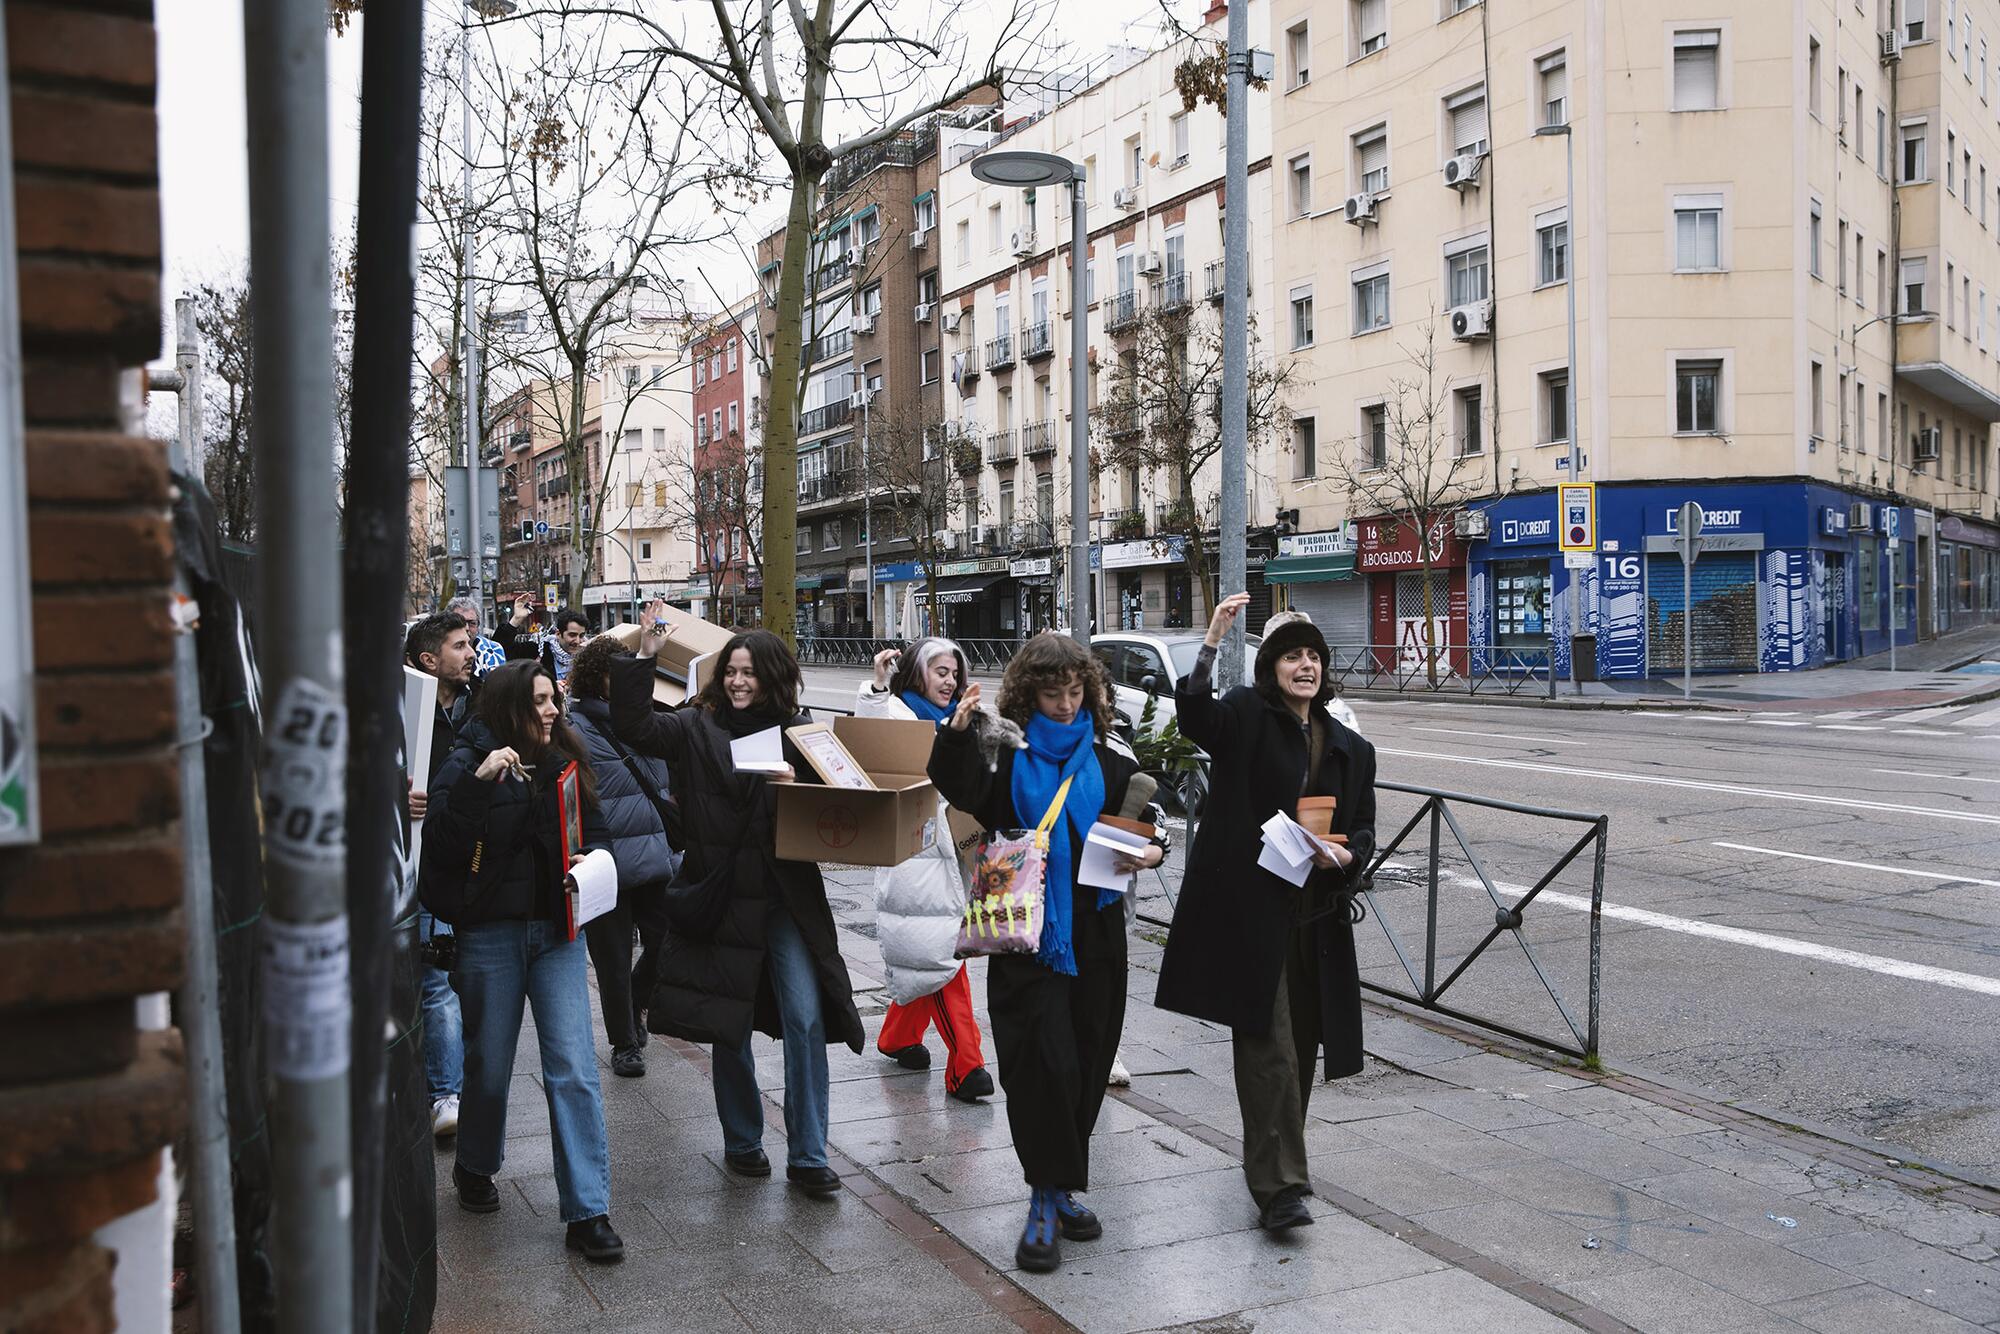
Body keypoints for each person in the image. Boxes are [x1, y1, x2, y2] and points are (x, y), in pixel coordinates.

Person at [928, 632, 1166, 1274]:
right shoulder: (1006, 756)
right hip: (1026, 937)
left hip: (1096, 937)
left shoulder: (1110, 757)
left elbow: (1154, 830)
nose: (1064, 705)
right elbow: (956, 788)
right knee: (1042, 1066)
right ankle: (1042, 1197)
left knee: (1088, 1062)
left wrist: (1149, 851)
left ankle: (1060, 1188)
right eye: (1051, 693)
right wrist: (953, 731)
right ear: (1027, 694)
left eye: (1073, 692)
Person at [609, 604, 865, 1198]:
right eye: (731, 671)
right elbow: (636, 726)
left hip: (784, 901)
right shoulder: (695, 729)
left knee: (804, 1018)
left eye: (749, 672)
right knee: (730, 1024)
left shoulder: (803, 736)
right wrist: (645, 654)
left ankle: (808, 1154)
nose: (738, 681)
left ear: (772, 678)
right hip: (721, 898)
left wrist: (798, 793)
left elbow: (849, 805)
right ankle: (743, 1140)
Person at [1155, 598, 1377, 1233]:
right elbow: (1196, 717)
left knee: (1300, 1049)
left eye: (1314, 657)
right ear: (1271, 667)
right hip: (1254, 914)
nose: (1304, 666)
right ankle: (1280, 1188)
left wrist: (1346, 855)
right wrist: (1211, 642)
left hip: (1316, 918)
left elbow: (1362, 829)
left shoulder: (1351, 749)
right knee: (1269, 1046)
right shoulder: (1248, 716)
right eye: (1291, 656)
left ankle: (1271, 1156)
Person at [419, 660, 624, 1262]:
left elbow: (601, 832)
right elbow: (443, 849)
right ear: (510, 705)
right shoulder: (466, 760)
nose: (552, 711)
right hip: (490, 937)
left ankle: (588, 1210)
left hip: (560, 935)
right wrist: (482, 783)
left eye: (553, 699)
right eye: (539, 702)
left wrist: (592, 865)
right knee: (488, 1066)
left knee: (574, 1068)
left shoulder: (565, 758)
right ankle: (477, 1167)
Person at [856, 642, 994, 1103]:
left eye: (954, 671)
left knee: (929, 956)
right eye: (939, 670)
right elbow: (870, 735)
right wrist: (876, 685)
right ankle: (967, 1066)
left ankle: (896, 1037)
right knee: (941, 958)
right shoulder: (899, 712)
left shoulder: (964, 718)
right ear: (917, 674)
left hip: (959, 856)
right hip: (917, 860)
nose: (949, 680)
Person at [565, 635, 680, 1079]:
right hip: (604, 861)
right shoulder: (575, 729)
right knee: (611, 958)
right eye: (618, 674)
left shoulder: (648, 719)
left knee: (667, 943)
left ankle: (637, 999)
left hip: (653, 855)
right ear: (598, 679)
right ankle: (624, 1043)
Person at [404, 611, 476, 1138]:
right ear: (430, 660)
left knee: (467, 981)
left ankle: (464, 1081)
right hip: (421, 865)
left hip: (478, 864)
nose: (471, 652)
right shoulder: (398, 711)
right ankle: (445, 1094)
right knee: (437, 983)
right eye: (459, 645)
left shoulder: (483, 705)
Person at [497, 594, 590, 685]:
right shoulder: (539, 650)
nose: (577, 641)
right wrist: (516, 619)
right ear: (558, 634)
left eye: (581, 635)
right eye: (572, 635)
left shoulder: (589, 658)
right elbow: (500, 652)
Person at [446, 595, 507, 678]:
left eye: (472, 623)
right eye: (460, 622)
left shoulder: (494, 649)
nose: (467, 628)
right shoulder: (441, 651)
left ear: (478, 625)